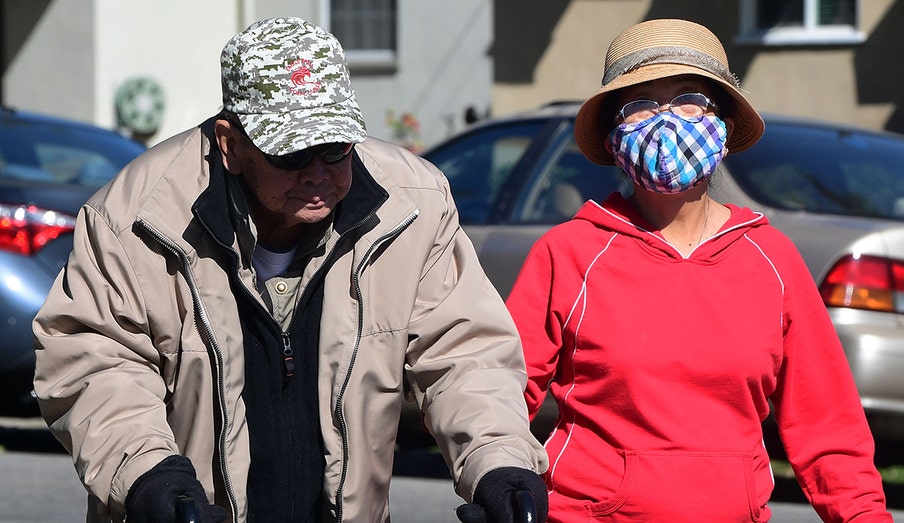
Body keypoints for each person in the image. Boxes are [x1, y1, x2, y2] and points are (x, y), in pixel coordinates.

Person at [32, 17, 547, 523]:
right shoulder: (135, 216)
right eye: (293, 152)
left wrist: (497, 463)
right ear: (231, 144)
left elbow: (464, 352)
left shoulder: (415, 203)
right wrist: (150, 478)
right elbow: (93, 361)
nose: (318, 173)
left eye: (336, 147)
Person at [505, 18, 893, 523]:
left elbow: (829, 429)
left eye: (690, 100)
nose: (666, 121)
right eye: (641, 104)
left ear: (723, 129)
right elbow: (501, 398)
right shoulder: (570, 252)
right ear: (614, 138)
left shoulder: (773, 261)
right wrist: (502, 483)